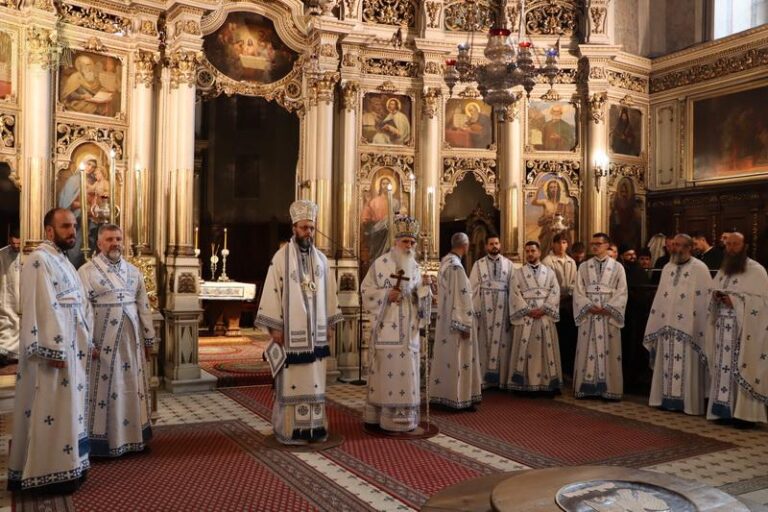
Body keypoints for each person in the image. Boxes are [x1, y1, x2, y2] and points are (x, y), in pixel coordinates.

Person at [8, 208, 92, 493]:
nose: (72, 231)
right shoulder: (39, 259)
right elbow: (41, 305)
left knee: (68, 410)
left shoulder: (62, 260)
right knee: (50, 409)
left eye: (74, 226)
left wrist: (85, 340)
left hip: (71, 349)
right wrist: (54, 349)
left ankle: (70, 466)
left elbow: (78, 303)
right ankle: (49, 473)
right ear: (49, 230)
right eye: (65, 226)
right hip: (52, 354)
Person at [256, 200, 342, 444]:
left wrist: (330, 325)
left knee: (315, 383)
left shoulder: (322, 260)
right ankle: (290, 430)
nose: (308, 233)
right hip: (290, 338)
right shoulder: (281, 258)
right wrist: (275, 328)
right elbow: (272, 291)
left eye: (312, 228)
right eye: (304, 228)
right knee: (293, 383)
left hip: (317, 337)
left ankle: (315, 428)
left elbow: (330, 294)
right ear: (294, 228)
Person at [78, 224, 154, 457]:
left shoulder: (133, 271)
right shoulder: (86, 271)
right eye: (110, 239)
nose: (115, 243)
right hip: (102, 342)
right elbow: (82, 310)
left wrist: (149, 338)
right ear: (99, 243)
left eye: (118, 239)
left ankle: (133, 439)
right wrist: (88, 342)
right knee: (105, 389)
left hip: (131, 343)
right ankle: (103, 443)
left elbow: (144, 306)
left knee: (131, 386)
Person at [361, 216, 433, 432]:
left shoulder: (416, 268)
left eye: (412, 242)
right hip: (386, 333)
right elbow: (365, 291)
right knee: (385, 377)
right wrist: (386, 295)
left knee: (406, 377)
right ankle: (380, 418)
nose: (409, 246)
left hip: (409, 334)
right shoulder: (380, 264)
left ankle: (405, 420)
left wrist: (425, 289)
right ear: (396, 242)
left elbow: (423, 304)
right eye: (405, 242)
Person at [643, 234, 711, 415]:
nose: (674, 249)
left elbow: (704, 301)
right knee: (665, 363)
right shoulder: (667, 267)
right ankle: (663, 399)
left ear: (689, 247)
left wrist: (697, 326)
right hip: (666, 326)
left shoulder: (700, 268)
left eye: (679, 245)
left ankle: (687, 404)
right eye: (673, 245)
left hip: (689, 329)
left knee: (687, 365)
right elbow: (661, 297)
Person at [705, 232, 768, 426]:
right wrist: (715, 297)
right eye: (728, 244)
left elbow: (763, 304)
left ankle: (744, 416)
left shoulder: (756, 271)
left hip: (744, 332)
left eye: (735, 244)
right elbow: (711, 291)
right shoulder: (724, 270)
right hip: (722, 330)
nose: (731, 248)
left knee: (742, 368)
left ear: (744, 247)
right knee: (722, 369)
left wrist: (735, 301)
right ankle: (723, 412)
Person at [573, 233, 628, 400]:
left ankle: (609, 390)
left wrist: (609, 307)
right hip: (589, 315)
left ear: (607, 245)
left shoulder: (617, 267)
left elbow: (622, 291)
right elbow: (578, 290)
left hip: (608, 316)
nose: (595, 246)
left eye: (598, 243)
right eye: (593, 243)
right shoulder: (584, 266)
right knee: (587, 349)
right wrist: (588, 305)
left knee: (609, 351)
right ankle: (586, 388)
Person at [431, 233, 482, 411]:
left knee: (447, 358)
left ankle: (444, 395)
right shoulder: (456, 267)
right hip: (457, 322)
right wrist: (464, 324)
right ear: (465, 246)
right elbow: (461, 298)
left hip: (446, 319)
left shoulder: (445, 262)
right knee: (460, 359)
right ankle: (459, 399)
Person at [506, 241, 562, 394]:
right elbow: (514, 294)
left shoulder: (550, 272)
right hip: (526, 318)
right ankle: (525, 385)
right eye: (527, 251)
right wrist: (527, 310)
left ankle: (546, 384)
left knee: (544, 351)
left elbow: (555, 292)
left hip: (544, 317)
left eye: (533, 251)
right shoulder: (518, 273)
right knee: (526, 350)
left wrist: (544, 309)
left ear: (539, 252)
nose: (530, 254)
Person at [469, 235, 514, 388]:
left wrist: (512, 312)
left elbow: (513, 289)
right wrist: (476, 310)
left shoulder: (509, 264)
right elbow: (473, 288)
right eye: (491, 244)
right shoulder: (478, 264)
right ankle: (484, 380)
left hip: (504, 309)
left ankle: (502, 380)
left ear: (500, 245)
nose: (494, 246)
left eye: (496, 243)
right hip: (484, 310)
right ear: (486, 247)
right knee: (484, 343)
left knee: (503, 344)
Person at [542, 233, 577, 379]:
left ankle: (567, 369)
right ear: (553, 244)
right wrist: (557, 296)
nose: (561, 246)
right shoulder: (547, 261)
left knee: (569, 336)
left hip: (568, 303)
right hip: (554, 302)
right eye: (558, 243)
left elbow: (574, 282)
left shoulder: (571, 261)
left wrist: (570, 292)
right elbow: (547, 282)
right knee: (556, 337)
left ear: (567, 244)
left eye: (564, 242)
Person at [0, 227, 21, 365]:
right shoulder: (2, 254)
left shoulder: (31, 254)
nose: (16, 246)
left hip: (23, 297)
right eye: (13, 243)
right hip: (7, 297)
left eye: (18, 244)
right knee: (7, 327)